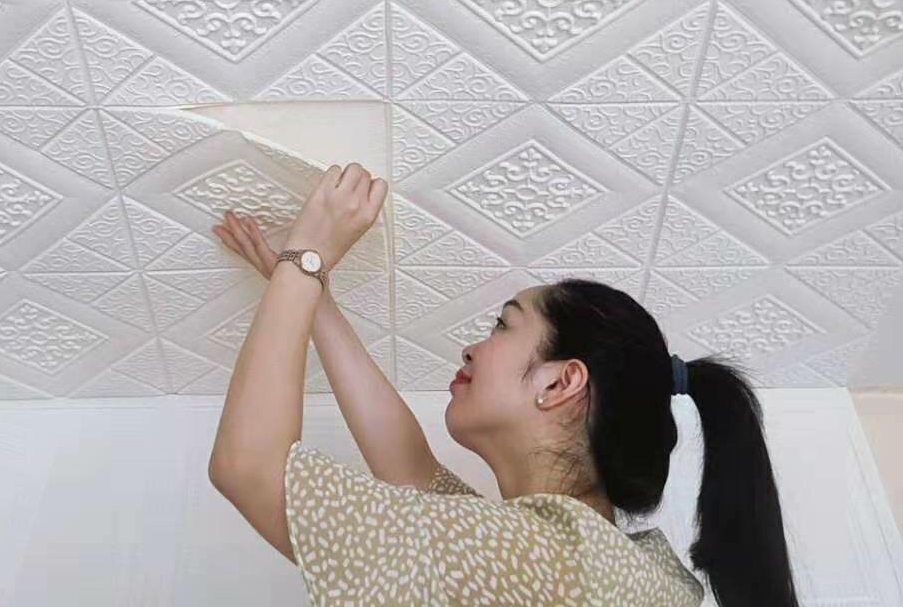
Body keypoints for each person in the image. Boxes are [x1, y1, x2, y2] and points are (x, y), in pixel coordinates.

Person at [212, 194, 801, 606]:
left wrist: (306, 259)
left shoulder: (537, 558)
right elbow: (413, 472)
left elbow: (249, 468)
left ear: (560, 383)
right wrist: (309, 292)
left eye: (502, 325)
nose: (471, 348)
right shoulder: (597, 562)